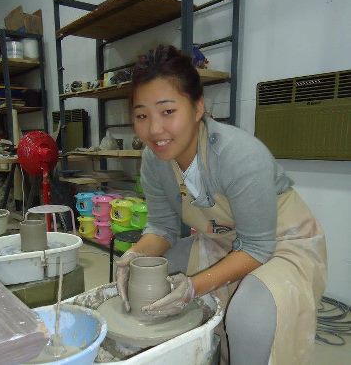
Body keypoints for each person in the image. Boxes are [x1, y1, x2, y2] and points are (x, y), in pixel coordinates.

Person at [115, 45, 327, 365]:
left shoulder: (239, 155)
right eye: (142, 115)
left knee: (248, 317)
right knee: (154, 278)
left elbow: (256, 246)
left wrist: (193, 287)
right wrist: (135, 255)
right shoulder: (153, 160)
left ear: (198, 107)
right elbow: (162, 228)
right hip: (221, 239)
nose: (155, 129)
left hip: (282, 242)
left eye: (168, 112)